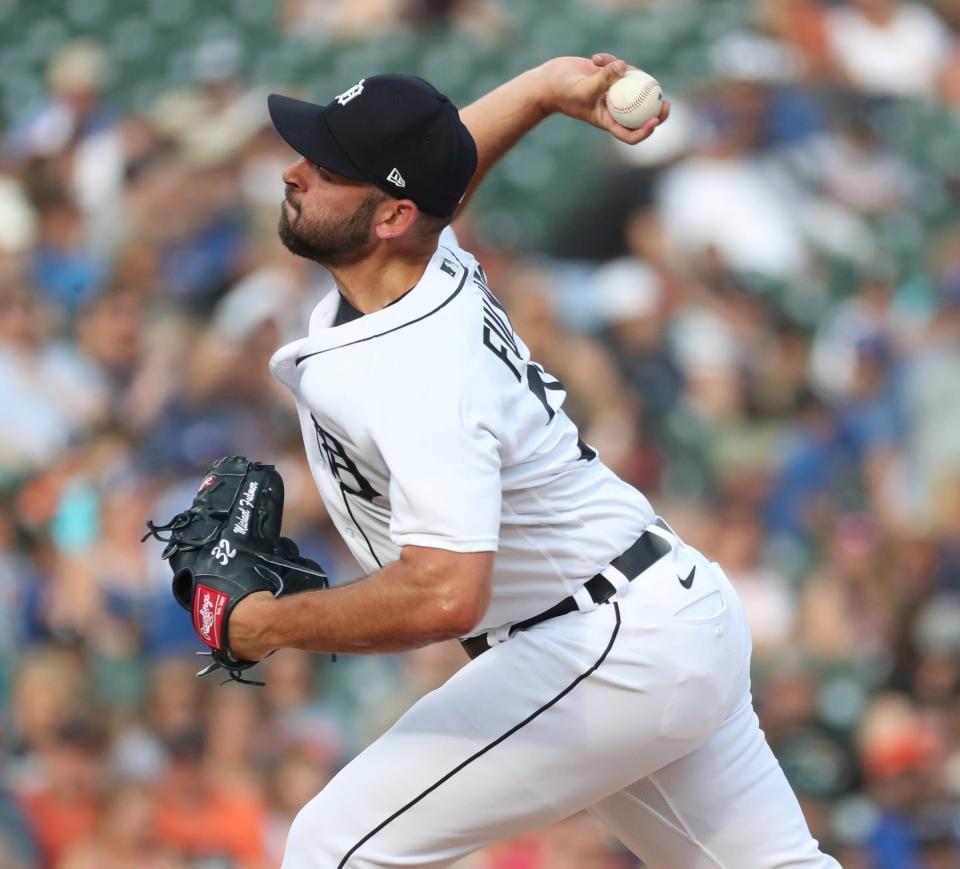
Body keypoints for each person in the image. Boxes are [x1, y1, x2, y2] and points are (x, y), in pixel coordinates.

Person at [223, 54, 840, 868]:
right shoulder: (423, 254)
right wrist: (545, 90)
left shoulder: (418, 372)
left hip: (598, 645)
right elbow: (446, 170)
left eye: (324, 166)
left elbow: (447, 591)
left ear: (388, 217)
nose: (294, 172)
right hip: (655, 613)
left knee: (334, 847)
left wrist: (264, 625)